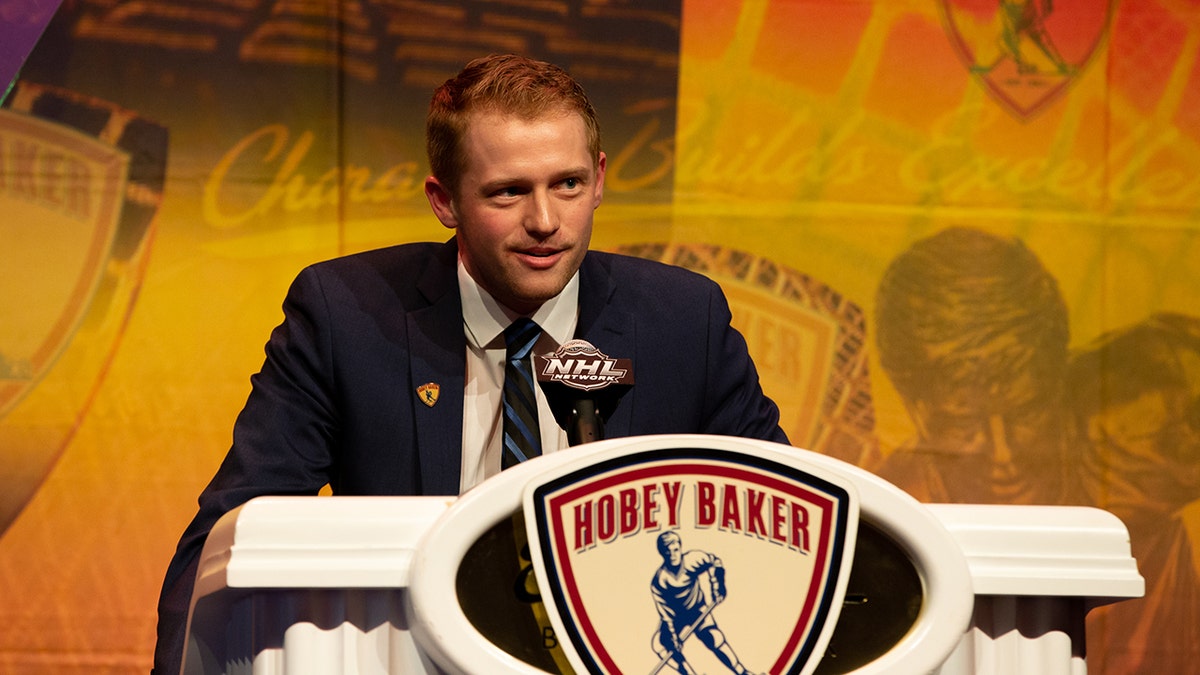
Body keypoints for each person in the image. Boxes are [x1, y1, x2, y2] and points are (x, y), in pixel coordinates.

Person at [152, 54, 787, 673]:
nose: (545, 221)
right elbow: (230, 535)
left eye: (567, 184)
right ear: (444, 201)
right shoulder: (344, 314)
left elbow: (783, 523)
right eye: (509, 192)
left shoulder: (684, 321)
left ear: (599, 178)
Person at [870, 227, 1076, 505]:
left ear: (1059, 379)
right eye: (964, 422)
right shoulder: (883, 510)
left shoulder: (1134, 463)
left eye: (1027, 410)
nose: (1003, 454)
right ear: (912, 406)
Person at [649, 531, 758, 675]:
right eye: (667, 552)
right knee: (659, 644)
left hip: (697, 609)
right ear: (662, 553)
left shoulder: (693, 559)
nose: (673, 555)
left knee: (714, 638)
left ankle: (742, 672)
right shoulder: (659, 581)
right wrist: (674, 639)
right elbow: (666, 615)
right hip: (675, 617)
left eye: (675, 550)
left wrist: (717, 585)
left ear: (680, 548)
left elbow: (715, 562)